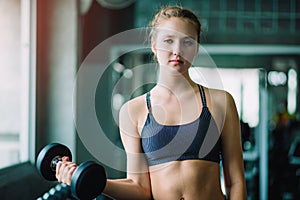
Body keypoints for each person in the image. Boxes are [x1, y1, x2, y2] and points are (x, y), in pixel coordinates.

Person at [56, 6, 247, 200]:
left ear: (196, 48)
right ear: (154, 46)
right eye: (168, 41)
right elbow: (140, 188)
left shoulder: (221, 102)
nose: (177, 50)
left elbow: (236, 182)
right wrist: (90, 180)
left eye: (187, 42)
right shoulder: (133, 111)